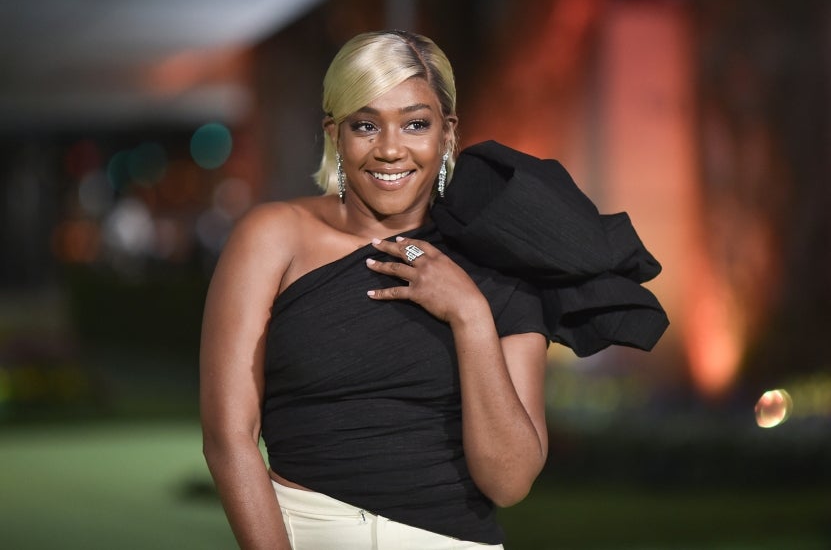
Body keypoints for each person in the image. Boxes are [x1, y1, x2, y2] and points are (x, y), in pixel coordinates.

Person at [201, 30, 666, 550]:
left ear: (447, 134)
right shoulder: (271, 238)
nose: (390, 149)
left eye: (415, 124)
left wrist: (470, 314)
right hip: (303, 532)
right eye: (366, 125)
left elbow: (510, 482)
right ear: (335, 134)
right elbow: (228, 437)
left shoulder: (498, 261)